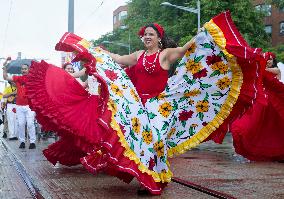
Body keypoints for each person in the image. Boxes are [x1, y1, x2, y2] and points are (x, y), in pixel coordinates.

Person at [25, 11, 263, 195]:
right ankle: (150, 177)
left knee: (155, 139)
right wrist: (94, 52)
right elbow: (117, 59)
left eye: (151, 34)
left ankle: (154, 177)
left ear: (159, 38)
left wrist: (203, 34)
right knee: (136, 141)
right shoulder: (138, 55)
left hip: (161, 105)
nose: (146, 37)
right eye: (144, 35)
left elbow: (186, 49)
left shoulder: (166, 54)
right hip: (138, 105)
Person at [231, 52, 284, 161]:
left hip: (274, 102)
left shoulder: (276, 70)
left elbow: (264, 72)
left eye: (270, 59)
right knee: (254, 125)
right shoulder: (259, 70)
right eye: (266, 59)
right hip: (262, 101)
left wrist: (256, 65)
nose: (268, 61)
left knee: (273, 127)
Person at [2, 61, 36, 149]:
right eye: (22, 69)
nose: (23, 70)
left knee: (30, 124)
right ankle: (22, 142)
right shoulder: (17, 78)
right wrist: (4, 68)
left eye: (25, 69)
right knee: (20, 124)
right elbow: (5, 77)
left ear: (29, 70)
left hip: (30, 106)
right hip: (19, 106)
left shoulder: (33, 79)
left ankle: (32, 142)